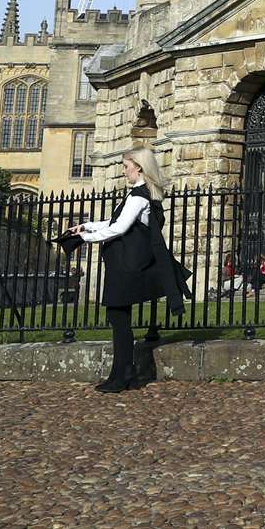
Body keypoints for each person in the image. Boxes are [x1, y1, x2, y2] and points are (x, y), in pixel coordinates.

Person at [62, 147, 188, 393]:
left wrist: (86, 240)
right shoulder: (139, 194)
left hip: (126, 269)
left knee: (119, 319)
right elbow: (115, 222)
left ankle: (122, 374)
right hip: (123, 267)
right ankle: (122, 372)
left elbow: (120, 228)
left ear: (138, 167)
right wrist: (86, 227)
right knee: (118, 319)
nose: (123, 171)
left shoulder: (139, 196)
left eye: (125, 166)